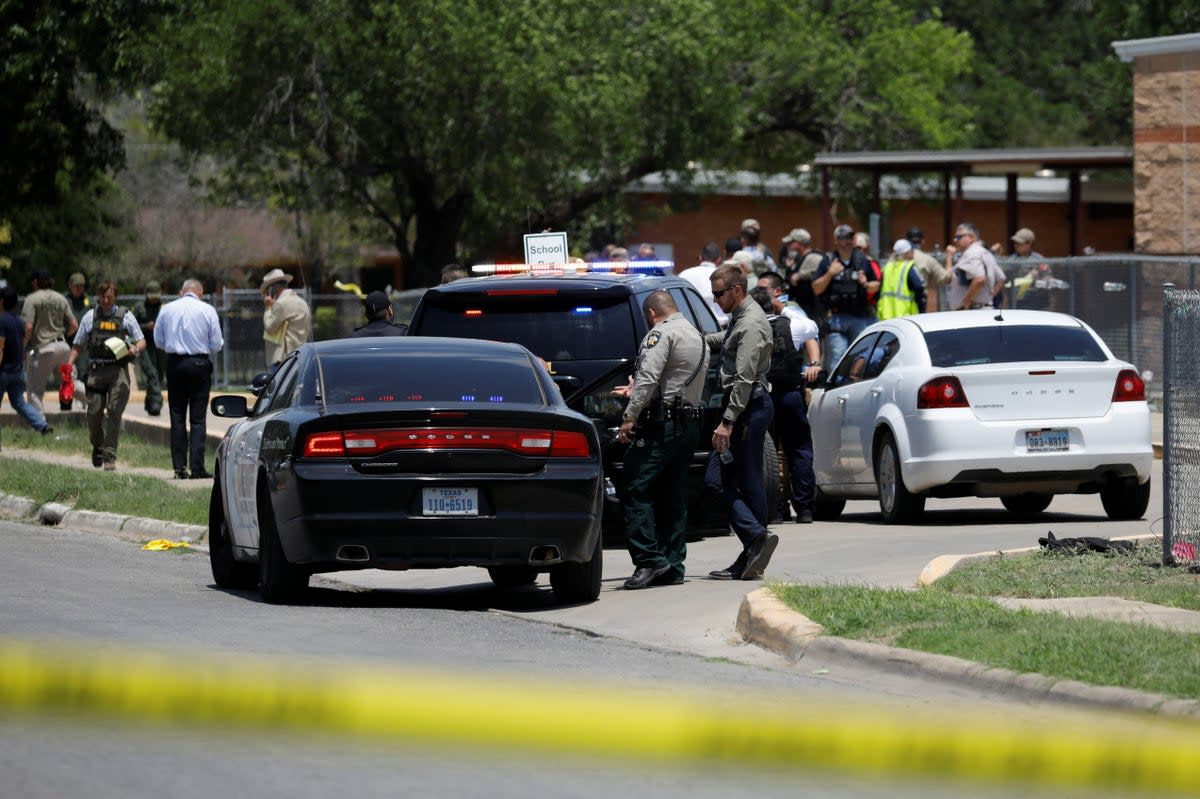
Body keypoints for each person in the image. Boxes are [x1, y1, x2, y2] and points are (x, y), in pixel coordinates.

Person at [611, 290, 707, 589]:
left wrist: (629, 417)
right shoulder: (695, 334)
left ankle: (649, 560)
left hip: (663, 425)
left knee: (632, 485)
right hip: (689, 424)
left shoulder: (659, 334)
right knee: (672, 494)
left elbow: (649, 377)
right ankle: (673, 564)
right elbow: (672, 379)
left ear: (651, 313)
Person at [704, 263, 778, 581]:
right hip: (749, 408)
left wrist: (727, 421)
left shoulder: (751, 324)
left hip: (748, 407)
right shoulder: (740, 317)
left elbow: (744, 379)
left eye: (719, 294)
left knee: (719, 480)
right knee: (746, 482)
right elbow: (726, 338)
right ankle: (753, 550)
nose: (716, 299)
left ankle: (755, 539)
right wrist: (699, 340)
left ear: (736, 290)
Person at [752, 280, 821, 524]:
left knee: (768, 454)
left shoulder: (748, 329)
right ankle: (805, 509)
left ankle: (777, 510)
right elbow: (812, 329)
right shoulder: (793, 324)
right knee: (800, 450)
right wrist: (785, 309)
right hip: (791, 395)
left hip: (763, 398)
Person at [66, 279, 146, 471]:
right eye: (103, 296)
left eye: (109, 296)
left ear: (115, 297)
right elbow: (78, 344)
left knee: (114, 412)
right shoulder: (90, 316)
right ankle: (98, 446)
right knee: (93, 413)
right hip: (96, 372)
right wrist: (68, 365)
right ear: (98, 296)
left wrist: (134, 349)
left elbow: (141, 340)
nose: (106, 300)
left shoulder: (125, 316)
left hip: (118, 371)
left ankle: (109, 456)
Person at [153, 278, 224, 480]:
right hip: (199, 365)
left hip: (175, 364)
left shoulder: (167, 309)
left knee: (177, 416)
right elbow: (217, 344)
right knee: (198, 419)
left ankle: (179, 468)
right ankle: (197, 467)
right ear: (200, 292)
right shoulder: (207, 310)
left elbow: (158, 341)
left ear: (181, 291)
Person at [811, 224, 879, 369]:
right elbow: (816, 289)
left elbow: (877, 285)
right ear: (836, 240)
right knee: (837, 359)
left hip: (860, 318)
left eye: (850, 237)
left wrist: (866, 283)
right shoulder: (828, 260)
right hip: (836, 319)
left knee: (860, 359)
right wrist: (830, 273)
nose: (848, 241)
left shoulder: (863, 260)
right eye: (844, 238)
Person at [0, 285, 53, 448]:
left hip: (3, 371)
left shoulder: (1, 320)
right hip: (17, 370)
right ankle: (42, 426)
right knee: (20, 403)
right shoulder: (19, 322)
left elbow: (0, 346)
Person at [21, 269, 78, 416]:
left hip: (42, 349)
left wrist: (21, 348)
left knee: (34, 391)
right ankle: (94, 404)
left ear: (35, 282)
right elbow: (74, 325)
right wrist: (61, 335)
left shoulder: (32, 299)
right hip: (63, 347)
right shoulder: (60, 298)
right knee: (70, 383)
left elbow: (28, 327)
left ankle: (40, 426)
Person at [944, 223, 1004, 311]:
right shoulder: (985, 253)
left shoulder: (971, 253)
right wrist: (988, 297)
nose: (955, 240)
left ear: (971, 237)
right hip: (982, 308)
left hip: (972, 311)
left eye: (959, 237)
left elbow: (979, 279)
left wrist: (967, 301)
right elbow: (1001, 279)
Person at [261, 268, 311, 368]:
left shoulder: (280, 304)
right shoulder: (302, 302)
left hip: (283, 359)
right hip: (301, 355)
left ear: (273, 288)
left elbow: (270, 328)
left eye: (268, 289)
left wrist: (268, 308)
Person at [133, 280, 165, 416]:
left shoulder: (164, 308)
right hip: (145, 345)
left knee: (159, 375)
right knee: (152, 374)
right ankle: (157, 403)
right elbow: (132, 326)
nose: (153, 300)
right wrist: (146, 326)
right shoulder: (140, 308)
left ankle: (150, 403)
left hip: (160, 347)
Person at [677, 242, 728, 326]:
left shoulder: (684, 274)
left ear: (700, 258)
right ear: (719, 260)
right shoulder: (724, 276)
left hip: (689, 328)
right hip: (719, 329)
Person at [876, 239, 927, 320]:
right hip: (905, 318)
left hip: (886, 317)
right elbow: (919, 287)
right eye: (911, 250)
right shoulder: (909, 267)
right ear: (906, 253)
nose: (913, 252)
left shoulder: (887, 267)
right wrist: (921, 309)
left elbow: (879, 291)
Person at [905, 227, 951, 312]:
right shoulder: (926, 259)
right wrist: (949, 256)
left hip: (892, 305)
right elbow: (946, 278)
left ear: (906, 241)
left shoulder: (893, 259)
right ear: (923, 241)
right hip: (916, 305)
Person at [62, 272, 91, 395]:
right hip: (67, 343)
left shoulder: (88, 301)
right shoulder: (63, 300)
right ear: (70, 285)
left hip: (84, 344)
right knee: (66, 374)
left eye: (81, 286)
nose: (79, 289)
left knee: (84, 373)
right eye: (76, 286)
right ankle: (65, 405)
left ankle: (86, 405)